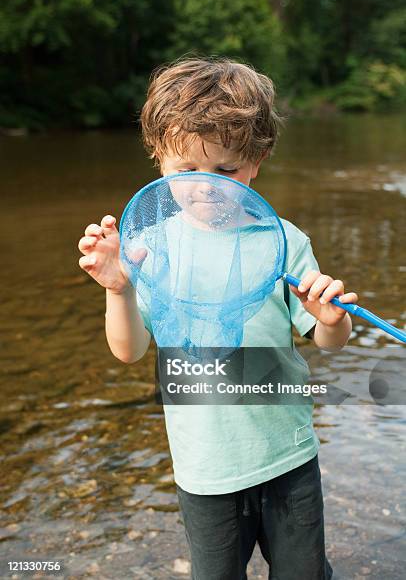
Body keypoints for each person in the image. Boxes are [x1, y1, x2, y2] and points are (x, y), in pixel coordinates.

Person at [78, 57, 358, 580]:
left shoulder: (285, 241)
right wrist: (118, 287)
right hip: (204, 468)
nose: (207, 186)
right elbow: (129, 349)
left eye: (227, 170)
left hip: (288, 456)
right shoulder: (149, 246)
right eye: (186, 170)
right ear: (158, 156)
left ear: (257, 159)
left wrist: (331, 317)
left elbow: (330, 341)